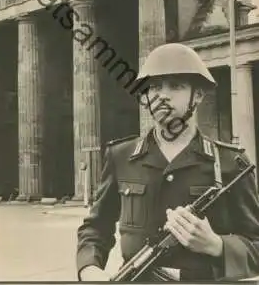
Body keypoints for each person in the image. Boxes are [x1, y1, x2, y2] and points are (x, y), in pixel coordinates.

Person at [76, 43, 259, 282]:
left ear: (198, 95)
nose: (162, 95)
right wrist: (89, 270)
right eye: (154, 87)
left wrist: (217, 245)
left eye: (176, 86)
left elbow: (255, 245)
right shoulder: (121, 156)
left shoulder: (230, 163)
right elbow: (95, 228)